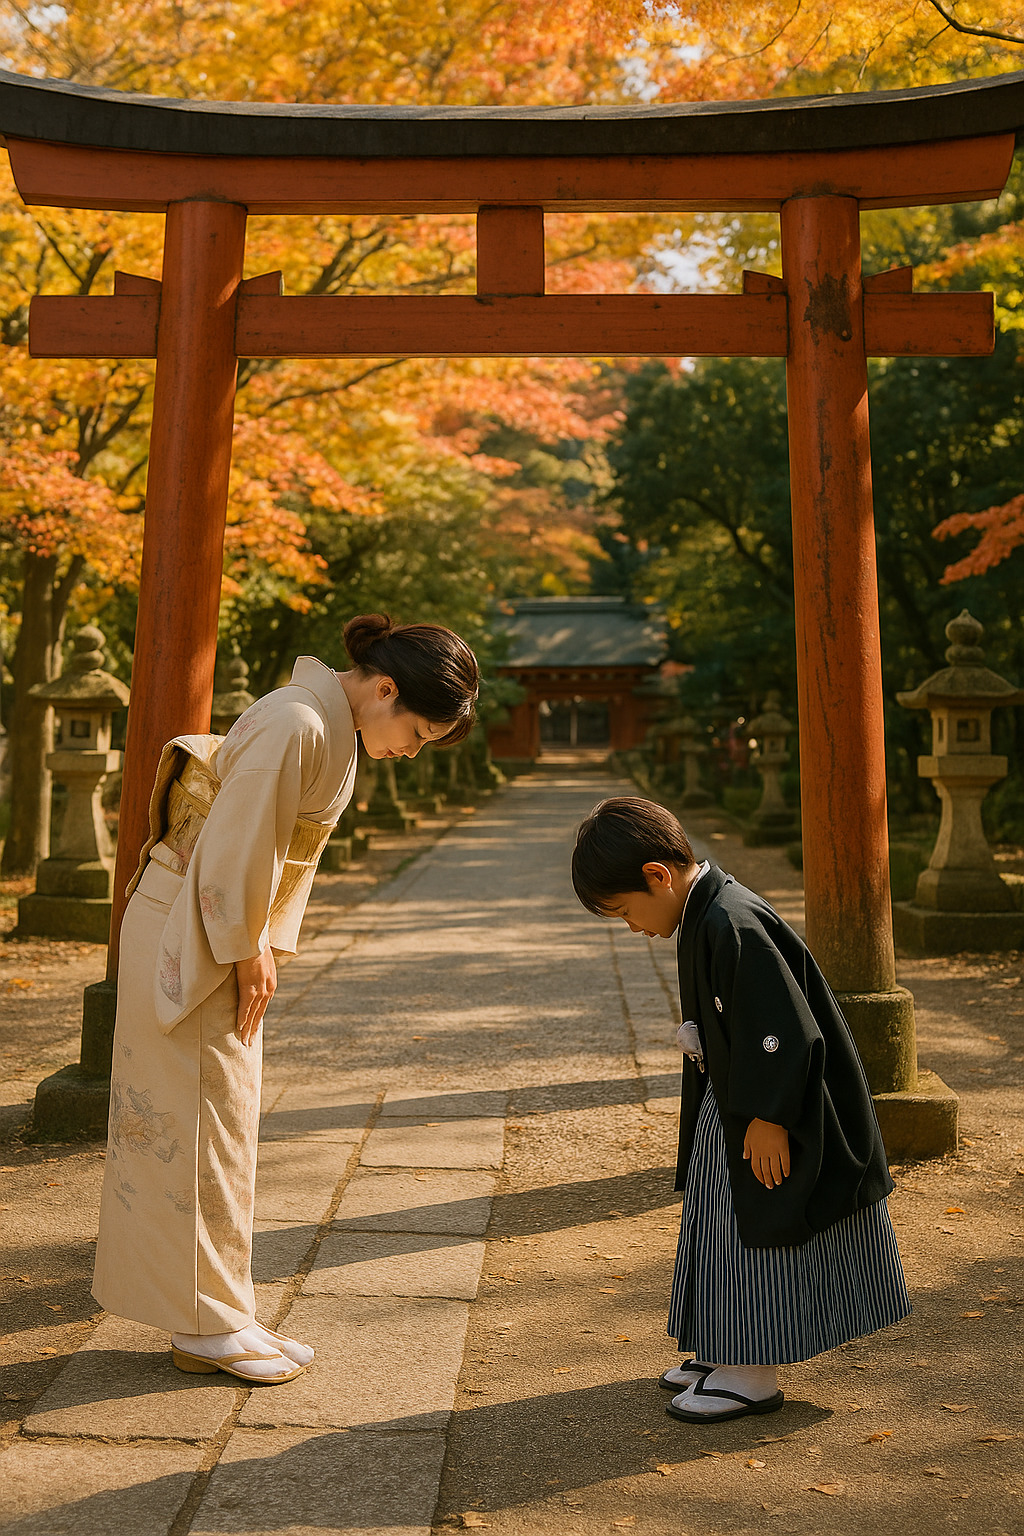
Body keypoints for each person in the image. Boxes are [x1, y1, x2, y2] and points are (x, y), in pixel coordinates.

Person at [93, 614, 479, 1384]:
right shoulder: (300, 722)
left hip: (210, 922)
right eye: (417, 731)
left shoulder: (319, 723)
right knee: (201, 1119)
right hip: (196, 926)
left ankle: (221, 1310)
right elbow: (232, 850)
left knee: (218, 1120)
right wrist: (247, 950)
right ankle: (204, 1324)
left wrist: (253, 943)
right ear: (386, 688)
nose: (410, 750)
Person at [570, 796, 910, 1424]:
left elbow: (781, 1031)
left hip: (769, 1110)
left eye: (623, 911)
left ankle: (751, 1370)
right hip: (731, 1103)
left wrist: (772, 1118)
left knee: (751, 1223)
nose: (631, 927)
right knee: (714, 1215)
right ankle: (720, 1347)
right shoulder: (702, 913)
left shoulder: (732, 923)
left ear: (657, 875)